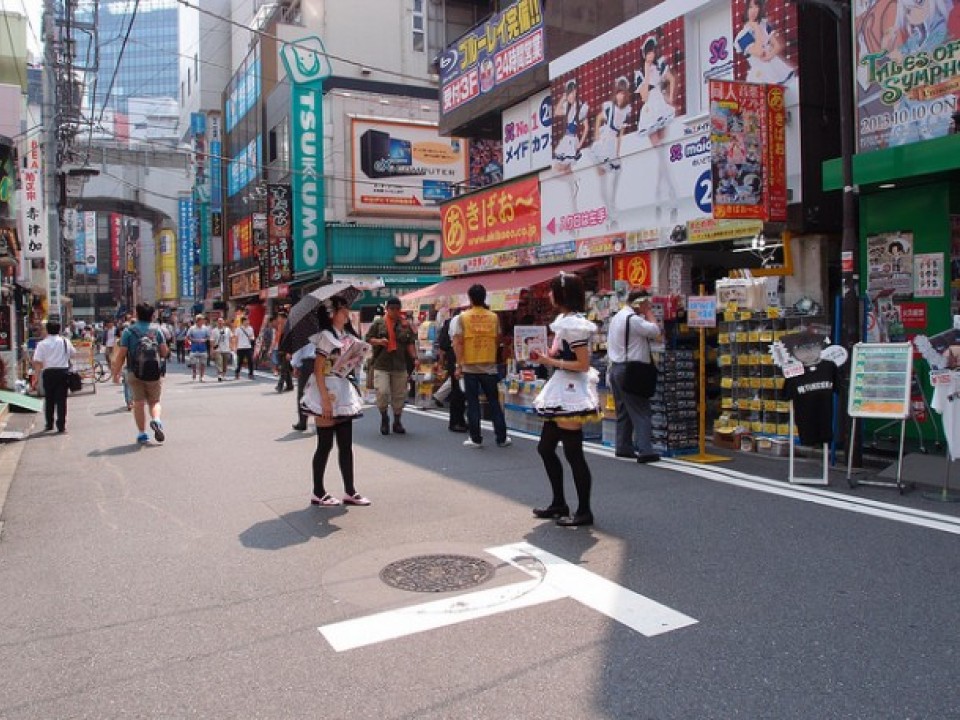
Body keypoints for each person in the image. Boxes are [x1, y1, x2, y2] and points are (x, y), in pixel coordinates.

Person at [529, 273, 601, 527]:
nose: (548, 295)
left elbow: (582, 364)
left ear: (562, 294)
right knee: (545, 448)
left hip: (571, 391)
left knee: (573, 453)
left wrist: (549, 361)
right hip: (562, 388)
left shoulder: (574, 325)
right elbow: (560, 354)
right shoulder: (565, 322)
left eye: (551, 291)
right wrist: (542, 355)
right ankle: (559, 503)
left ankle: (584, 511)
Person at [299, 296, 370, 507]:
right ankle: (318, 492)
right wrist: (324, 400)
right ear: (332, 314)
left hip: (342, 387)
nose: (347, 312)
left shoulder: (347, 335)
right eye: (343, 309)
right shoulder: (325, 336)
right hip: (326, 390)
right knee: (325, 444)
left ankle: (350, 491)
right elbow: (318, 369)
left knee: (346, 444)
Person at [606, 290, 662, 463]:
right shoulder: (634, 320)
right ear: (639, 303)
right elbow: (655, 331)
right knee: (641, 410)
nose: (648, 307)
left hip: (616, 368)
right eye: (646, 304)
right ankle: (646, 450)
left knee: (623, 410)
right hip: (631, 370)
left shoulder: (617, 317)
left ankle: (623, 446)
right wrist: (649, 314)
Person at [452, 284, 510, 448]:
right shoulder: (493, 317)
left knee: (473, 403)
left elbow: (457, 343)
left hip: (469, 366)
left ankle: (476, 438)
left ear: (470, 298)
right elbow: (498, 338)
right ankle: (502, 438)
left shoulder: (462, 318)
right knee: (493, 402)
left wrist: (459, 365)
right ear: (485, 298)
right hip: (489, 366)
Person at [111, 302, 170, 445]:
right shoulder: (157, 331)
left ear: (137, 314)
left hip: (134, 372)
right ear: (152, 315)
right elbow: (164, 352)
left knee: (138, 403)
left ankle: (142, 434)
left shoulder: (128, 331)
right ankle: (156, 420)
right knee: (154, 401)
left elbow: (121, 355)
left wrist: (116, 373)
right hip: (154, 372)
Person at [365, 296, 418, 435]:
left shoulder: (405, 325)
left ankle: (397, 421)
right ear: (387, 309)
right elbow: (368, 338)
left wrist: (415, 358)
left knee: (399, 395)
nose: (394, 311)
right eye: (391, 309)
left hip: (400, 364)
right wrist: (379, 341)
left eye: (397, 309)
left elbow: (410, 343)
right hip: (381, 363)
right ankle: (384, 417)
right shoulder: (379, 323)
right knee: (382, 392)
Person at [592, 76, 632, 228]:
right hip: (602, 143)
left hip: (611, 145)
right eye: (618, 93)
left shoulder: (625, 111)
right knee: (603, 179)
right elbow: (598, 118)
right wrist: (597, 139)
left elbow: (620, 134)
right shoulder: (609, 107)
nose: (620, 96)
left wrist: (618, 152)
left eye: (623, 93)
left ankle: (612, 211)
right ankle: (611, 213)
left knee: (616, 172)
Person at [734, 0, 797, 85]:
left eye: (757, 6)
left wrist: (769, 56)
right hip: (761, 74)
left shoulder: (764, 25)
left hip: (777, 66)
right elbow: (759, 52)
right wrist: (756, 27)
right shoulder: (742, 36)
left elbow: (778, 45)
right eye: (750, 7)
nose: (754, 10)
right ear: (745, 10)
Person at [31, 320, 76, 433]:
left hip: (49, 373)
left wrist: (36, 377)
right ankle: (61, 425)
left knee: (49, 399)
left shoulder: (42, 344)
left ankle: (49, 424)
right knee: (61, 400)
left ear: (47, 330)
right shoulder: (65, 341)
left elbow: (37, 362)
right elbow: (73, 353)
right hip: (62, 372)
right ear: (59, 329)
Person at [436, 310, 467, 432]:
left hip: (453, 358)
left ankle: (459, 420)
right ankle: (456, 421)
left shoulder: (448, 322)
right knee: (458, 391)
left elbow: (443, 345)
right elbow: (452, 343)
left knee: (458, 390)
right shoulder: (457, 322)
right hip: (457, 359)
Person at [290, 340, 316, 432]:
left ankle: (302, 422)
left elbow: (299, 349)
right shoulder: (326, 327)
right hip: (324, 362)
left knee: (303, 392)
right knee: (320, 392)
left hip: (308, 363)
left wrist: (295, 365)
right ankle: (320, 421)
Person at [186, 314, 211, 381]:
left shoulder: (205, 328)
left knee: (203, 363)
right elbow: (188, 337)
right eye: (202, 320)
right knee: (193, 362)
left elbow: (208, 336)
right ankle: (194, 372)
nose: (203, 321)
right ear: (198, 320)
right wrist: (193, 340)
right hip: (194, 347)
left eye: (203, 320)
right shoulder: (192, 328)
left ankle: (201, 376)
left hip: (203, 347)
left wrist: (205, 340)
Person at [274, 313, 294, 393]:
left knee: (283, 370)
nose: (278, 319)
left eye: (279, 318)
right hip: (281, 351)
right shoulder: (281, 327)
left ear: (283, 318)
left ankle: (280, 386)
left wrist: (290, 352)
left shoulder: (289, 327)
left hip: (287, 351)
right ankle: (290, 386)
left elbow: (291, 341)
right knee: (286, 369)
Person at [210, 317, 233, 382]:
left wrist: (231, 346)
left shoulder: (227, 330)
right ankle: (219, 375)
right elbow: (212, 340)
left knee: (225, 364)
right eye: (219, 322)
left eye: (221, 322)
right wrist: (212, 349)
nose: (220, 323)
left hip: (226, 349)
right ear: (217, 323)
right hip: (218, 349)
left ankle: (223, 375)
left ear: (223, 322)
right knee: (219, 362)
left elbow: (231, 338)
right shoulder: (214, 330)